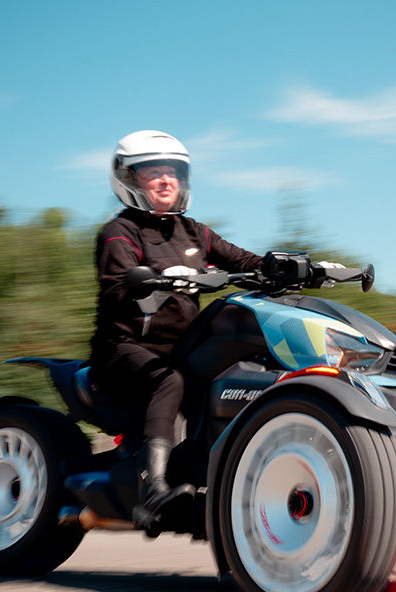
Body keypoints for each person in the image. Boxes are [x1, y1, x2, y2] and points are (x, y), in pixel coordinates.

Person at [90, 130, 265, 529]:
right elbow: (117, 288)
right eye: (153, 172)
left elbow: (241, 260)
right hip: (126, 349)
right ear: (130, 179)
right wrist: (158, 279)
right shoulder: (119, 233)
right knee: (168, 381)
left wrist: (283, 265)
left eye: (173, 172)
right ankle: (152, 492)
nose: (166, 180)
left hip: (184, 347)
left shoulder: (194, 231)